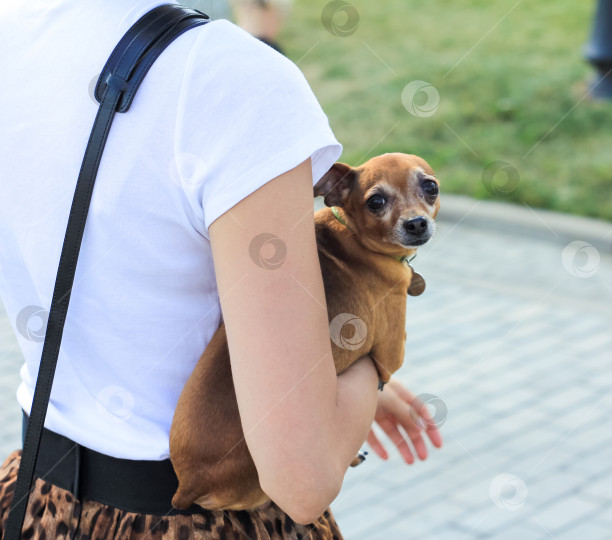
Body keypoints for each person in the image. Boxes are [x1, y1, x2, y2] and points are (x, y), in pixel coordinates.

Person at [0, 1, 441, 538]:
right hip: (199, 522)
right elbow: (302, 477)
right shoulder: (231, 79)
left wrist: (318, 367)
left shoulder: (15, 32)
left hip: (39, 506)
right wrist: (365, 366)